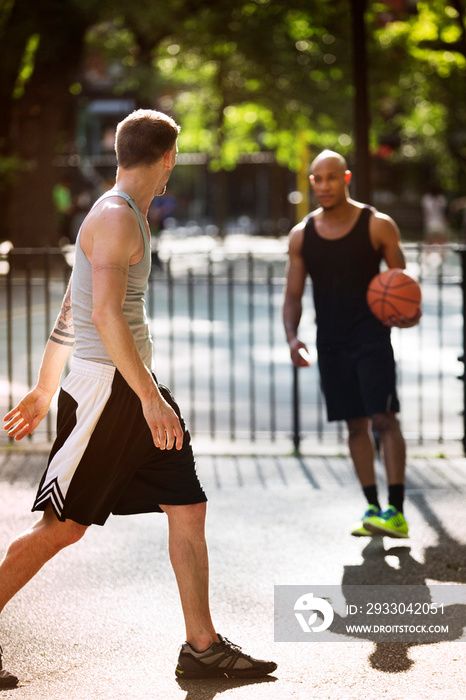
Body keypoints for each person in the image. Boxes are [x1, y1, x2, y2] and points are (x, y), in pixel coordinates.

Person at [1, 109, 276, 685]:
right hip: (111, 394)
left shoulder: (120, 214)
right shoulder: (117, 216)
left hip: (132, 389)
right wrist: (148, 398)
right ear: (168, 158)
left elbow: (74, 306)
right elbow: (99, 313)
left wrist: (47, 385)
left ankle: (201, 645)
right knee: (62, 528)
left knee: (187, 506)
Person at [282, 150, 421, 540]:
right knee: (354, 425)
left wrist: (410, 314)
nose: (324, 185)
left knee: (383, 419)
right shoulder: (302, 235)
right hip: (331, 341)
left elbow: (404, 287)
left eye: (331, 178)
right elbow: (292, 296)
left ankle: (397, 509)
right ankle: (372, 507)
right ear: (311, 183)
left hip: (372, 337)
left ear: (345, 178)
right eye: (317, 179)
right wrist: (293, 338)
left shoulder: (378, 226)